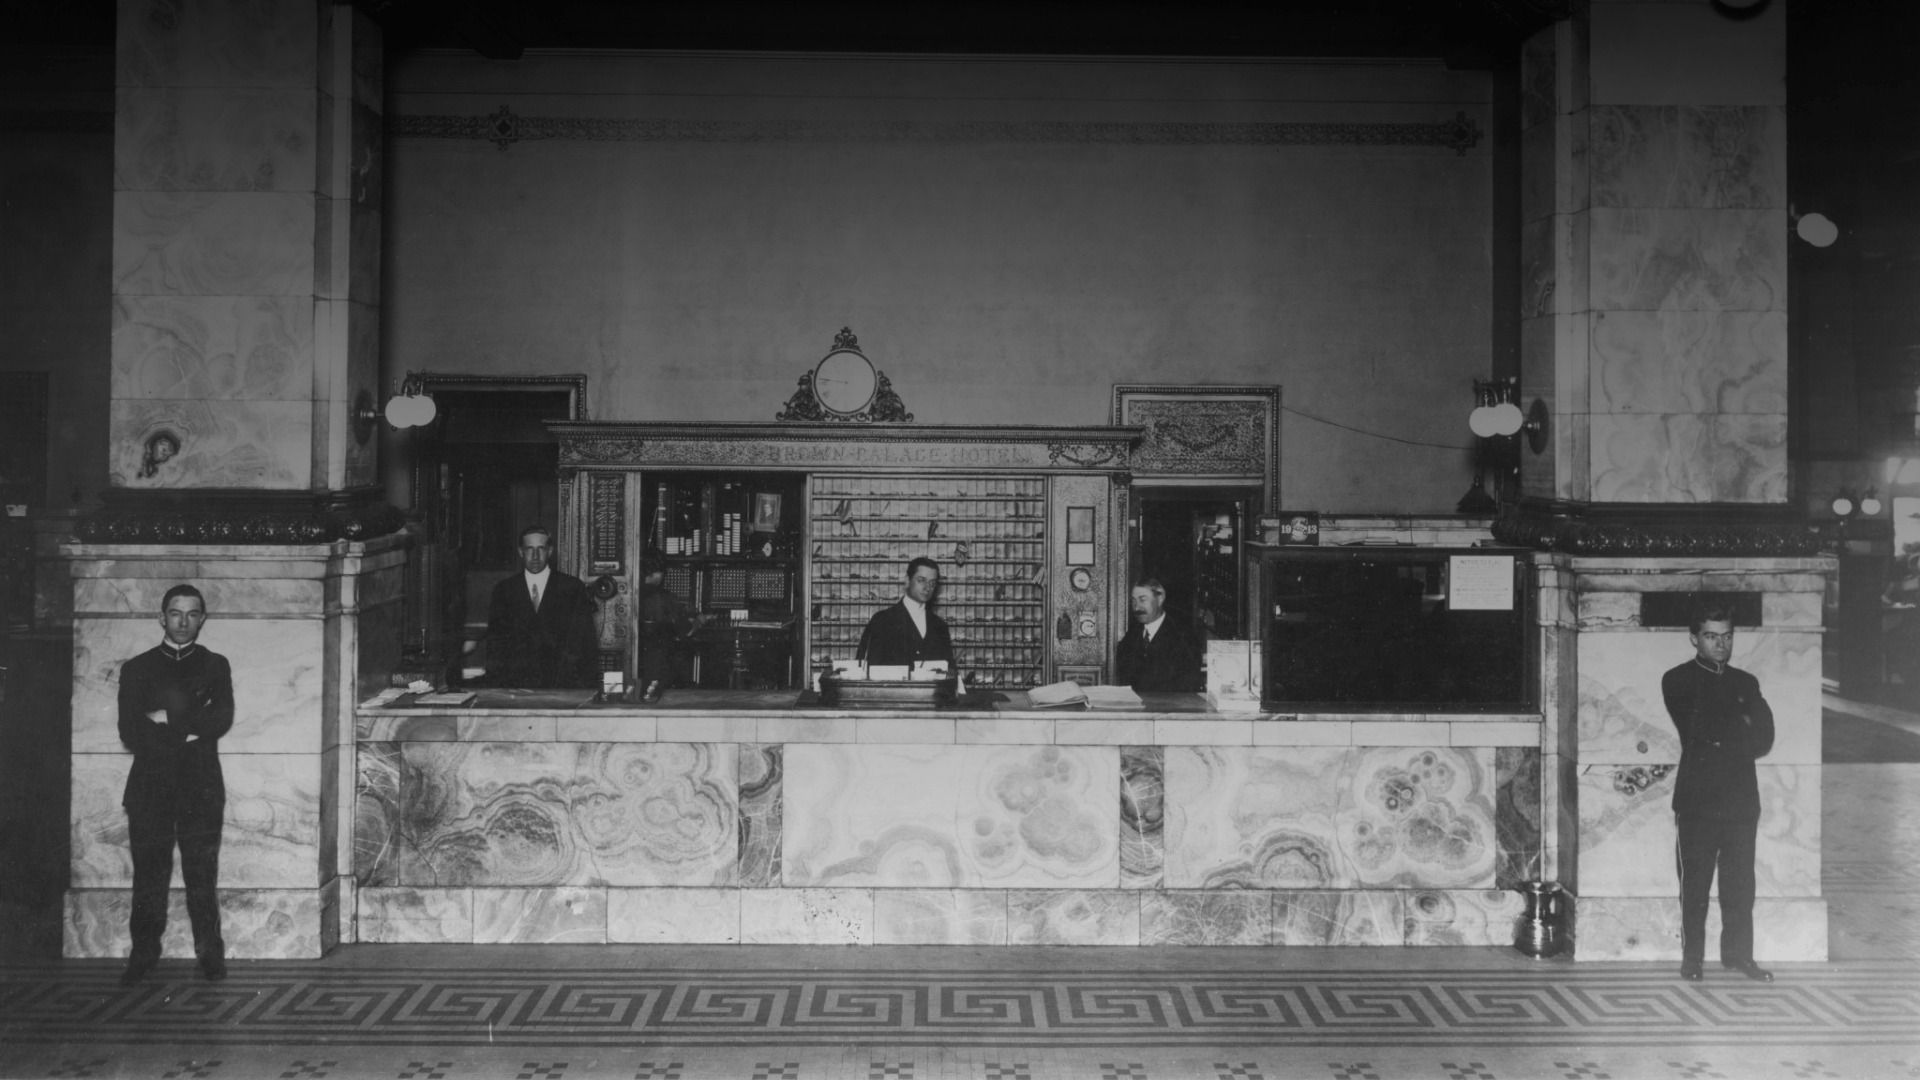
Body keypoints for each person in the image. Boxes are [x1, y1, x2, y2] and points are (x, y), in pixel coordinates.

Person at [117, 584, 234, 985]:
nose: (183, 622)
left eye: (192, 614)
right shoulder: (137, 668)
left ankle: (210, 954)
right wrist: (186, 725)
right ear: (161, 617)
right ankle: (143, 953)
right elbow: (130, 729)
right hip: (150, 788)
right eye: (175, 613)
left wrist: (166, 718)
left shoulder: (216, 665)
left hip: (200, 788)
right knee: (149, 874)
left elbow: (220, 720)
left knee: (201, 873)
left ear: (203, 619)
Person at [1661, 602, 1776, 983]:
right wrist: (1739, 723)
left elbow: (1764, 739)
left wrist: (1726, 733)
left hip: (1742, 801)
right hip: (1698, 800)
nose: (1721, 644)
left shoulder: (1746, 681)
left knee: (1740, 886)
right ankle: (1692, 959)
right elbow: (1701, 727)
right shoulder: (1676, 679)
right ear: (1695, 638)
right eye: (1712, 636)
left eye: (1727, 636)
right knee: (1694, 885)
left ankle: (1739, 956)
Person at [483, 525, 601, 688]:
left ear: (550, 551)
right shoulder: (504, 590)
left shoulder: (572, 587)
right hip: (516, 686)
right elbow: (495, 645)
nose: (535, 556)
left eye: (541, 549)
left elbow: (585, 642)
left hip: (562, 685)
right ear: (520, 552)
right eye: (529, 549)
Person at [856, 556, 953, 669]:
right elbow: (863, 668)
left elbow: (950, 672)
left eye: (932, 583)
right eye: (921, 580)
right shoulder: (882, 621)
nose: (927, 587)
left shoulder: (940, 626)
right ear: (907, 581)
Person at [1114, 577, 1204, 692]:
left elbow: (1190, 683)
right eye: (1133, 601)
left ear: (1160, 599)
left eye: (1142, 600)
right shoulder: (1132, 635)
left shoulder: (1183, 636)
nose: (1136, 607)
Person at [636, 546, 699, 703]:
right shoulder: (665, 597)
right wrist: (700, 620)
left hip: (635, 670)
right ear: (658, 572)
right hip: (661, 672)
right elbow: (688, 631)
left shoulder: (631, 594)